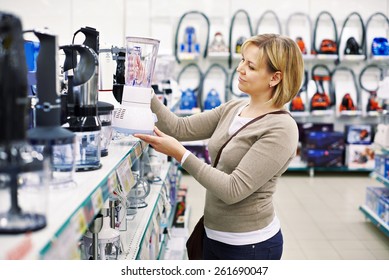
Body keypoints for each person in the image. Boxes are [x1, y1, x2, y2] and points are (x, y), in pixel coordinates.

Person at [135, 33, 304, 260]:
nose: (240, 69)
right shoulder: (234, 108)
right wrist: (147, 91)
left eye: (251, 66)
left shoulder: (282, 128)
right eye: (242, 60)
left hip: (249, 246)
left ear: (275, 78)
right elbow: (179, 128)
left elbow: (232, 190)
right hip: (212, 235)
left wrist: (180, 154)